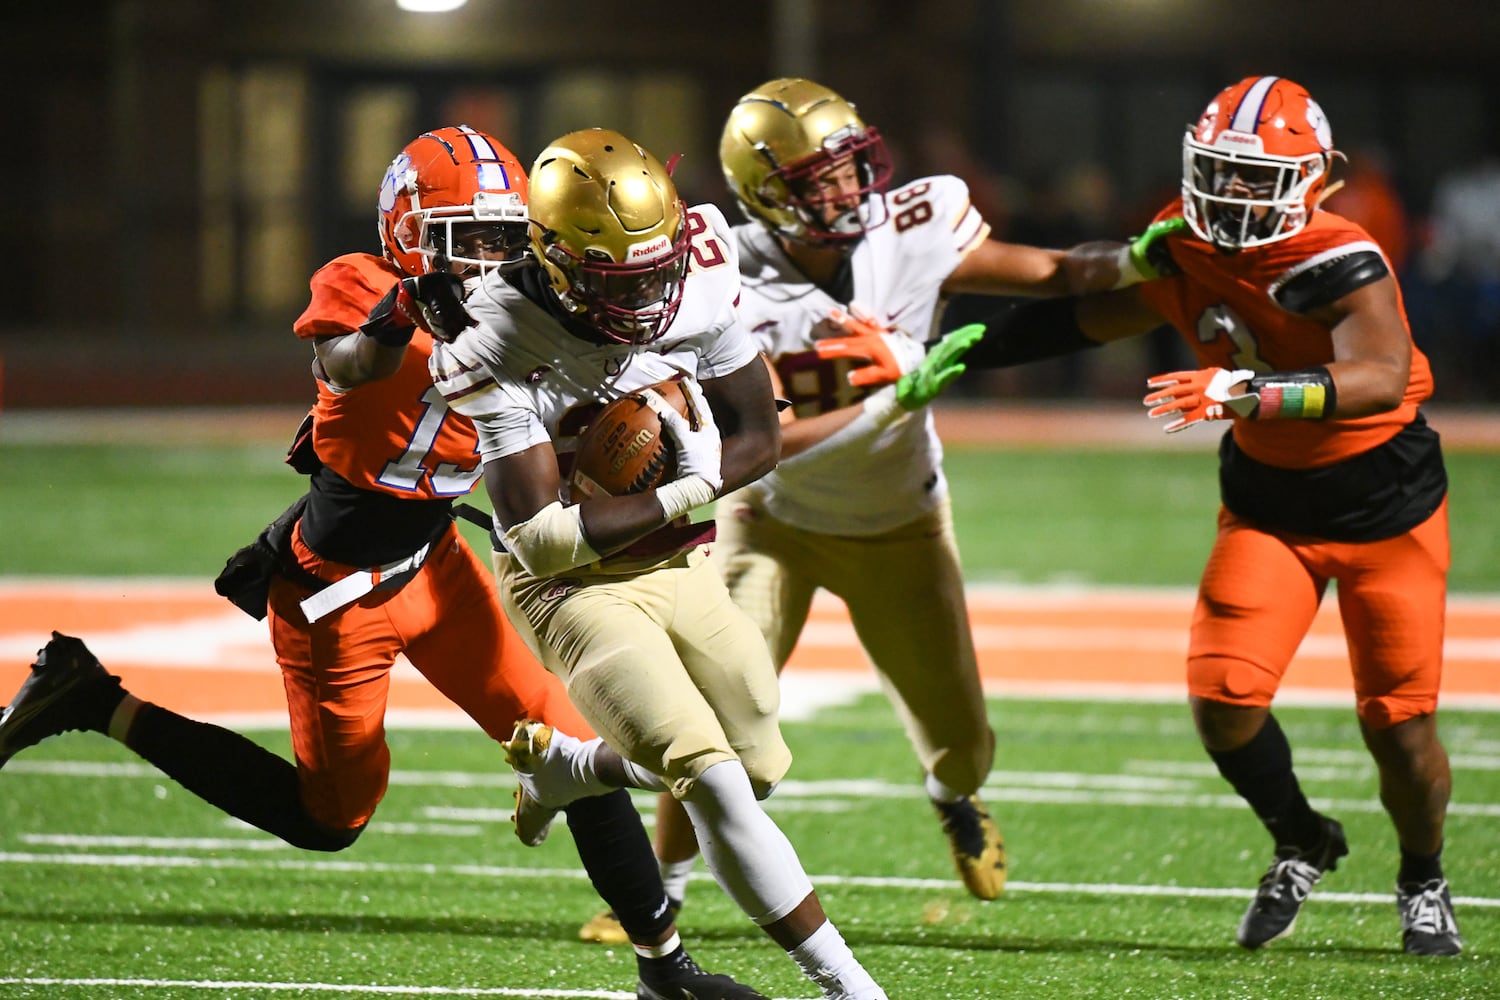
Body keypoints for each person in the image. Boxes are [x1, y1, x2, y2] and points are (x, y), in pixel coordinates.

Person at [0, 125, 769, 1000]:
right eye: (464, 239)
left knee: (569, 741)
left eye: (504, 238)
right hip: (339, 591)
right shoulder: (360, 284)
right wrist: (399, 314)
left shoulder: (529, 306)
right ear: (409, 236)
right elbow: (346, 364)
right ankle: (93, 697)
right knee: (332, 819)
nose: (488, 259)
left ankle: (665, 969)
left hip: (438, 563)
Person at [579, 77, 1182, 945]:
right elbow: (756, 430)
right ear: (763, 192)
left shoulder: (915, 227)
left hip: (900, 519)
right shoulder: (722, 273)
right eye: (816, 180)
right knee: (709, 714)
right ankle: (660, 891)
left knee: (962, 738)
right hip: (770, 522)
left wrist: (1137, 258)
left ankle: (953, 795)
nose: (845, 190)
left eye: (850, 169)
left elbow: (1054, 273)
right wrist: (890, 393)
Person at [427, 127, 945, 1000]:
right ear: (553, 263)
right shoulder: (492, 336)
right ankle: (852, 987)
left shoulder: (696, 276)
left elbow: (761, 437)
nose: (644, 299)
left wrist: (690, 486)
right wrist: (687, 486)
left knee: (759, 758)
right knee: (711, 778)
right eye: (616, 282)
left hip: (676, 562)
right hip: (571, 586)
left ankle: (570, 768)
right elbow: (542, 540)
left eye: (653, 272)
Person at [957, 75, 1462, 956]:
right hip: (1267, 504)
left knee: (1400, 728)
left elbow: (1382, 374)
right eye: (1219, 172)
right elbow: (1094, 316)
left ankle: (1422, 876)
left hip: (1385, 506)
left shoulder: (1340, 256)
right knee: (1224, 700)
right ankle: (1303, 838)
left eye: (1253, 177)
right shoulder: (1186, 243)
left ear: (1317, 177)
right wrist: (940, 357)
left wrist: (1248, 390)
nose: (1230, 194)